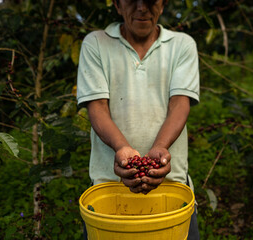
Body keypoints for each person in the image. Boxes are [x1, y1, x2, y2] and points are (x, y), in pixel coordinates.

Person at [77, 0, 200, 238]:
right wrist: (122, 148)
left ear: (162, 5)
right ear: (117, 4)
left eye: (151, 0)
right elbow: (98, 107)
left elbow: (179, 104)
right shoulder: (96, 43)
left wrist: (160, 147)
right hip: (110, 189)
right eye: (132, 0)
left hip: (172, 187)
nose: (142, 8)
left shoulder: (181, 45)